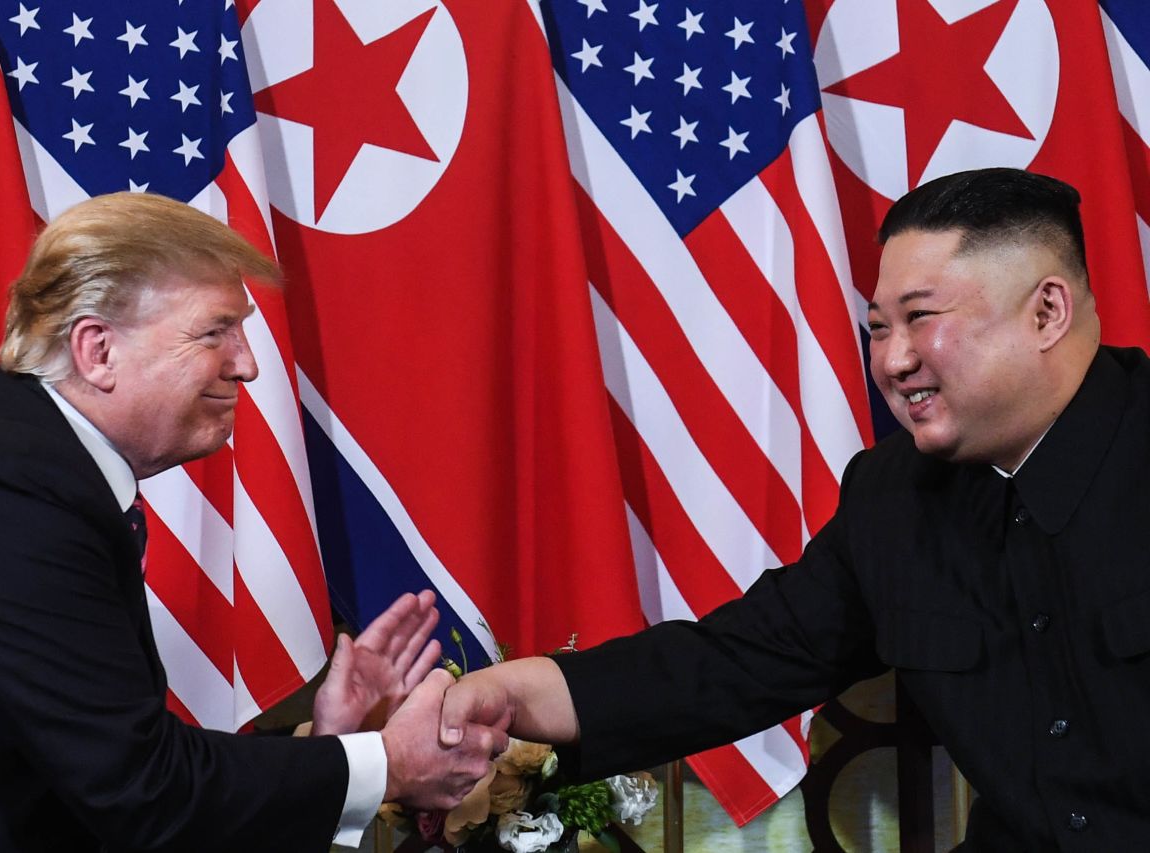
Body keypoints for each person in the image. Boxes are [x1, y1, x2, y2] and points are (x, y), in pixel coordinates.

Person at [439, 168, 1150, 850]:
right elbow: (735, 661)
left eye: (921, 318)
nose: (894, 360)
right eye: (877, 327)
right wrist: (509, 691)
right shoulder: (892, 495)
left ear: (1047, 311)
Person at [0, 192, 505, 852]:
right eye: (214, 331)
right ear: (97, 350)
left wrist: (330, 745)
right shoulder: (2, 495)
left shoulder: (24, 459)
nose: (248, 363)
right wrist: (389, 763)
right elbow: (141, 790)